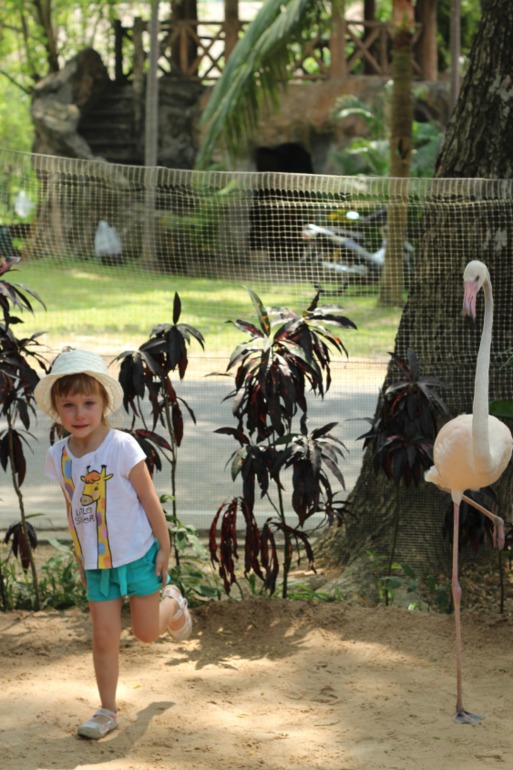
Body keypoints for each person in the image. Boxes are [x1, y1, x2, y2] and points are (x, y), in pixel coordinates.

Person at [34, 349, 192, 740]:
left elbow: (149, 499)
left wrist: (165, 547)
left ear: (104, 402)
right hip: (97, 563)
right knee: (104, 637)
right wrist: (79, 554)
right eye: (69, 405)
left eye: (88, 403)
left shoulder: (122, 446)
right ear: (56, 408)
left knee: (144, 634)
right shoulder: (59, 456)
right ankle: (106, 710)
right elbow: (72, 507)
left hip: (139, 554)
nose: (79, 413)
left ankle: (172, 602)